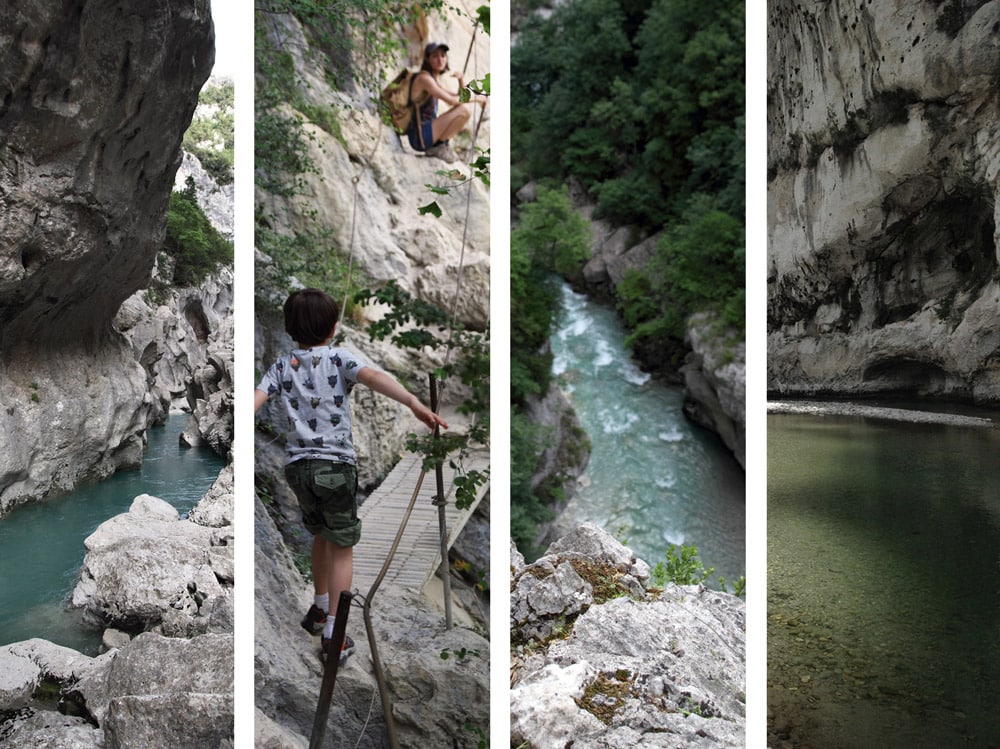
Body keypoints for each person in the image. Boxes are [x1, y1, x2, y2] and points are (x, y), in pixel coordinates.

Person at [254, 288, 448, 659]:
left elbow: (256, 398)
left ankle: (318, 607)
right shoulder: (339, 358)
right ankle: (334, 633)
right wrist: (412, 402)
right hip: (335, 466)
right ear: (333, 328)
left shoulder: (281, 366)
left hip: (298, 469)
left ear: (291, 328)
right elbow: (374, 376)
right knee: (342, 547)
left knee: (320, 537)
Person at [407, 41, 487, 162]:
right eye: (435, 56)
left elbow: (457, 97)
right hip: (420, 136)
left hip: (427, 132)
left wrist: (461, 80)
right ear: (427, 59)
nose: (440, 60)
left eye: (443, 56)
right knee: (464, 110)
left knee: (463, 109)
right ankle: (437, 147)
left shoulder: (433, 79)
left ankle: (440, 146)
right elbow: (453, 101)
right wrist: (477, 98)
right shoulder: (424, 79)